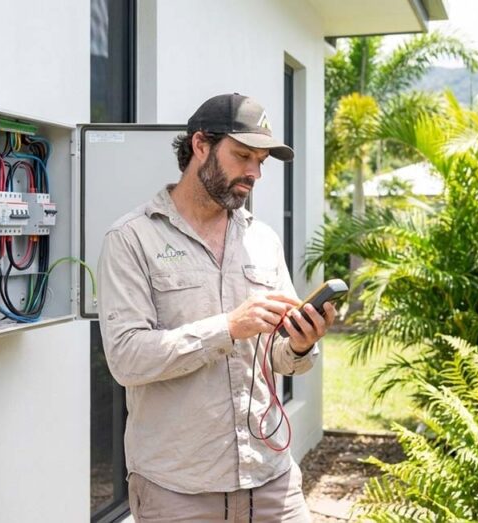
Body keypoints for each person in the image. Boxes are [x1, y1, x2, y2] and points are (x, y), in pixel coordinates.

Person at [97, 93, 336, 522]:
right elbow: (126, 359)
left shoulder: (261, 239)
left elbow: (279, 358)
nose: (254, 173)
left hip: (271, 481)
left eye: (261, 161)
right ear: (200, 146)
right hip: (179, 491)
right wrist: (227, 327)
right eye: (243, 156)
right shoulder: (131, 239)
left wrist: (300, 343)